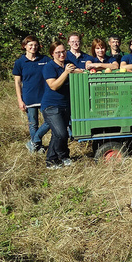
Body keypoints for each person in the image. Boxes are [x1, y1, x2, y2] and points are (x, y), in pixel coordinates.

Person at [12, 35, 51, 153]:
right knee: (33, 124)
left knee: (50, 120)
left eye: (35, 45)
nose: (33, 47)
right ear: (25, 46)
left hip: (45, 97)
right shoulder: (20, 62)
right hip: (29, 97)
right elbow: (17, 82)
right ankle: (37, 147)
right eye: (30, 45)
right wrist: (20, 100)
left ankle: (34, 142)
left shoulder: (45, 59)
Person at [42, 41, 76, 169]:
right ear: (52, 54)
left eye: (63, 51)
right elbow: (53, 86)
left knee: (57, 134)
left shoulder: (68, 64)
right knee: (61, 134)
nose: (61, 54)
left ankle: (57, 159)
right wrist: (66, 72)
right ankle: (57, 157)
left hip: (65, 105)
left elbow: (78, 72)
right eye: (58, 52)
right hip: (51, 106)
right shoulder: (49, 67)